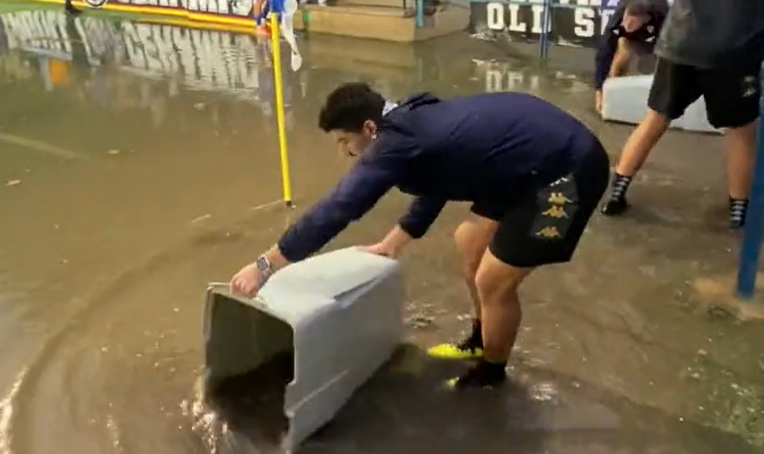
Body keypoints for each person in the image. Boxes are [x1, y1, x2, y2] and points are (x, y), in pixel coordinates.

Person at [228, 84, 611, 389]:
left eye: (345, 142)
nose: (346, 153)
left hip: (565, 169)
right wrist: (396, 241)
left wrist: (266, 265)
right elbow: (439, 174)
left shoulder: (394, 145)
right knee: (470, 242)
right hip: (524, 161)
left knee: (493, 281)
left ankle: (491, 375)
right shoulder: (409, 120)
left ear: (369, 129)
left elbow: (338, 209)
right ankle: (480, 338)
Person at [600, 0, 764, 228]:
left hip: (681, 43)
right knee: (741, 131)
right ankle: (739, 210)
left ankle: (617, 191)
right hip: (735, 52)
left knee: (656, 119)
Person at [592, 0, 670, 112]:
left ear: (646, 20)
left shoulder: (663, 14)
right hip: (633, 15)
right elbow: (603, 54)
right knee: (623, 53)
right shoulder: (619, 17)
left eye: (631, 23)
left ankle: (657, 96)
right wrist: (599, 92)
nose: (626, 25)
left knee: (661, 60)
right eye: (626, 21)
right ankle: (612, 91)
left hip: (658, 27)